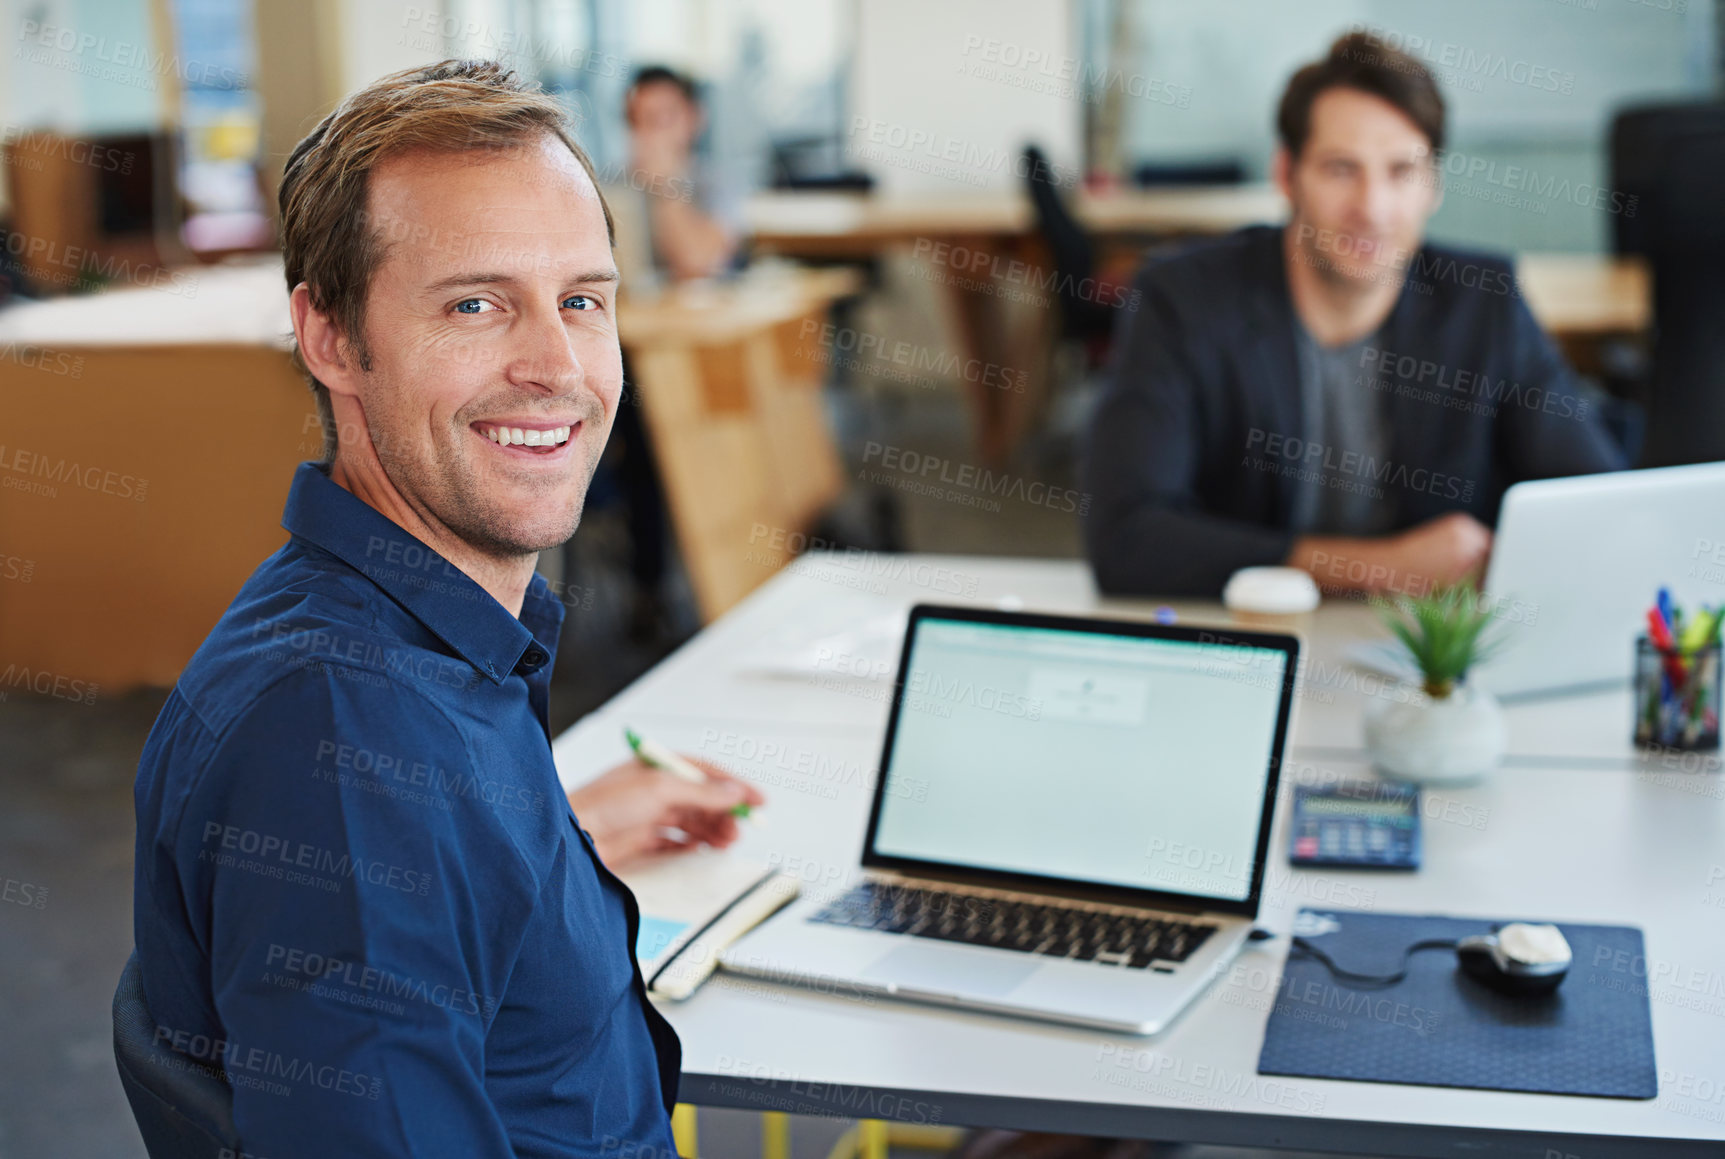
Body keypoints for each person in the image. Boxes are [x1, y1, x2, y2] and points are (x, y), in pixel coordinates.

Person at [127, 59, 763, 1156]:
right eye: (476, 304)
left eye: (581, 301)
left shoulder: (406, 654)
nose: (557, 366)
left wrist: (543, 838)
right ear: (330, 338)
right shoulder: (343, 756)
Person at [1080, 31, 1625, 598]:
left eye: (1401, 172)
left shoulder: (1485, 303)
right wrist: (1383, 566)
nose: (1372, 208)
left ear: (1433, 186)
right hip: (1244, 640)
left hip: (1424, 655)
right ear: (1286, 174)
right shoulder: (1183, 300)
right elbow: (1124, 538)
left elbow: (1597, 511)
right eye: (1341, 169)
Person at [617, 64, 742, 283]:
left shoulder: (717, 181)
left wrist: (666, 186)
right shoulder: (613, 183)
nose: (649, 134)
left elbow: (698, 264)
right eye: (637, 120)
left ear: (694, 118)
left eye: (662, 120)